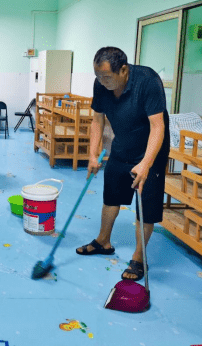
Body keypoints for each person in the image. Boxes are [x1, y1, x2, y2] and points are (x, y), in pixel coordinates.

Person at [76, 47, 170, 282]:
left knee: (145, 208)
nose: (102, 81)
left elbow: (158, 126)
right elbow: (97, 120)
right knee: (111, 196)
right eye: (98, 76)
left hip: (150, 152)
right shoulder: (101, 85)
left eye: (106, 77)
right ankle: (103, 241)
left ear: (124, 70)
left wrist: (146, 163)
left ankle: (139, 258)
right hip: (122, 145)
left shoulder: (147, 82)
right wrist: (92, 154)